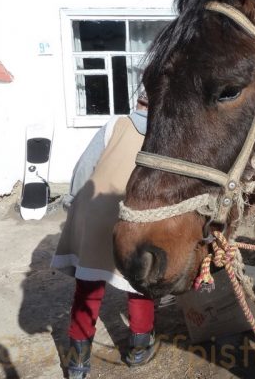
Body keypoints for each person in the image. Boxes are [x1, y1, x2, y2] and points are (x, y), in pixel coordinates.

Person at [51, 93, 157, 379]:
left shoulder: (115, 124)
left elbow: (85, 167)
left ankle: (77, 365)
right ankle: (138, 350)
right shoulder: (166, 131)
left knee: (89, 287)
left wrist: (73, 199)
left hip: (98, 211)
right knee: (139, 285)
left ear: (139, 98)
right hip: (138, 216)